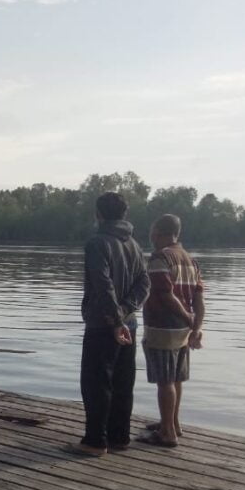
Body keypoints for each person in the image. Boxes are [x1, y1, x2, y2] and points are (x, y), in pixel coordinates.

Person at [73, 193, 150, 457]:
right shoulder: (135, 245)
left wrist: (116, 318)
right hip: (129, 323)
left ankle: (95, 442)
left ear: (99, 214)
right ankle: (120, 437)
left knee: (97, 383)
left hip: (104, 324)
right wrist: (126, 312)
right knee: (122, 381)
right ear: (124, 215)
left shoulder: (97, 243)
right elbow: (144, 284)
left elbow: (102, 284)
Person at [139, 214, 205, 447]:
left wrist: (188, 318)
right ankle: (173, 423)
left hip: (163, 326)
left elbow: (165, 294)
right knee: (176, 378)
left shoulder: (161, 257)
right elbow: (198, 298)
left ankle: (167, 433)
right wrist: (195, 327)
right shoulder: (190, 260)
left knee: (165, 380)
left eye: (154, 233)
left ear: (161, 233)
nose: (152, 237)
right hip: (183, 331)